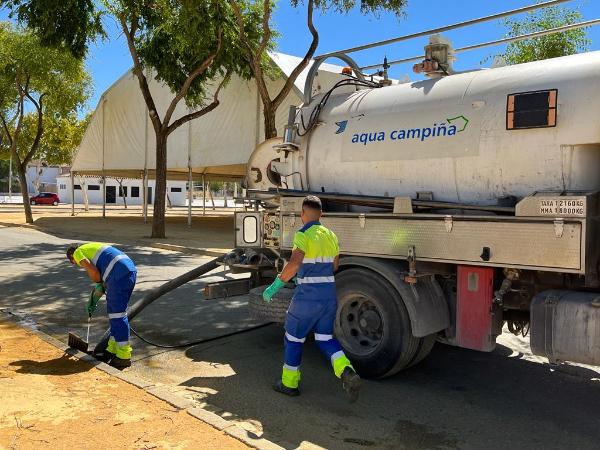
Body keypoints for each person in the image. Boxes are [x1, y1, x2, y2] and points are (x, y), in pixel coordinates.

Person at [263, 195, 361, 402]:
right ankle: (346, 370)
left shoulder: (303, 234)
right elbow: (334, 266)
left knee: (293, 338)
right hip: (328, 298)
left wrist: (276, 285)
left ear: (302, 214)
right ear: (322, 214)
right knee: (325, 339)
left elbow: (295, 263)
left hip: (307, 299)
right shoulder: (331, 235)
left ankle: (289, 384)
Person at [66, 242, 137, 369]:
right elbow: (101, 281)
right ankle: (112, 350)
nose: (76, 264)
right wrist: (93, 299)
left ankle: (124, 356)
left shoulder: (78, 252)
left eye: (74, 262)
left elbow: (94, 273)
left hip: (118, 273)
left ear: (72, 257)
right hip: (127, 270)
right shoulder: (91, 249)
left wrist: (98, 282)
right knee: (115, 313)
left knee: (117, 315)